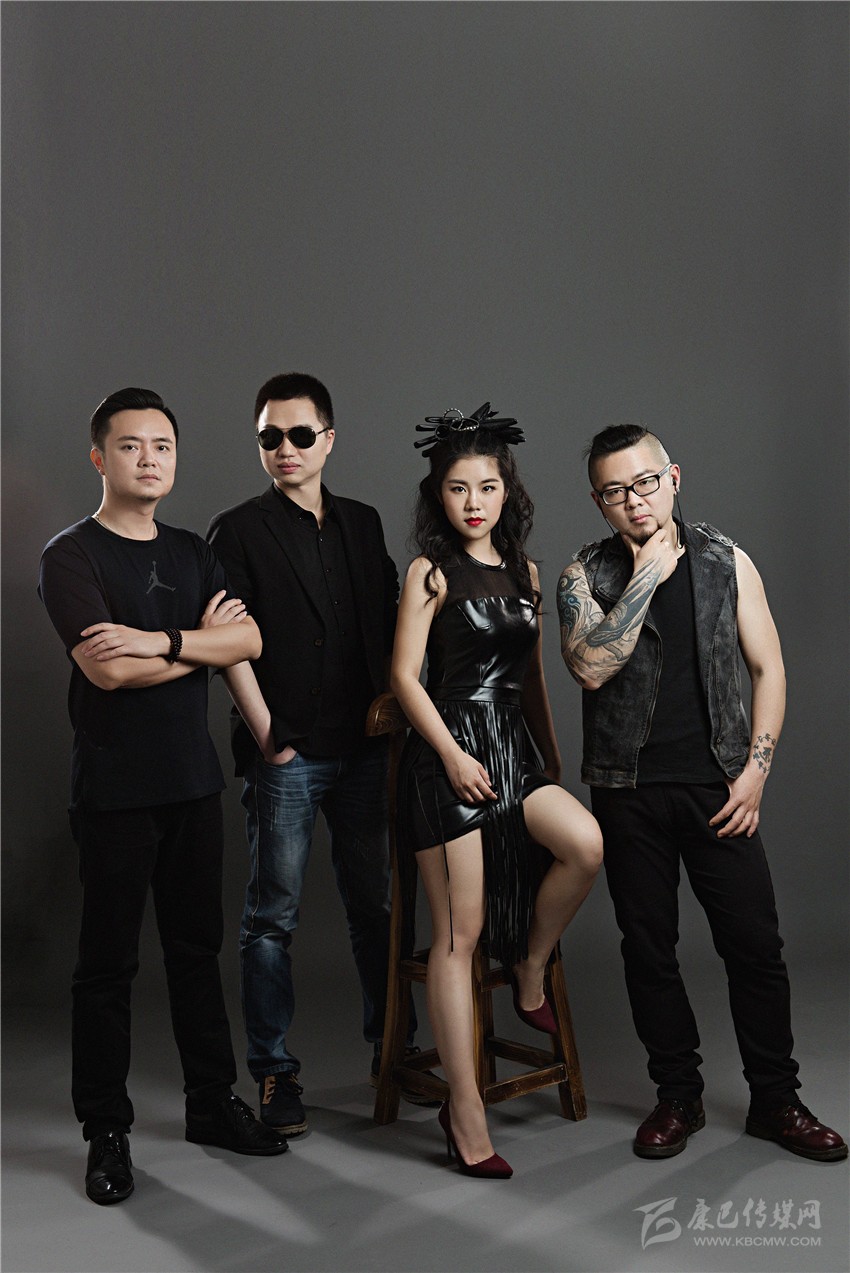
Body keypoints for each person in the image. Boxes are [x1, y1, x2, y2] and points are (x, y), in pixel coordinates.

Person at [558, 423, 847, 1162]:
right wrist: (647, 574)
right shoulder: (583, 575)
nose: (635, 501)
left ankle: (776, 1101)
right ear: (598, 502)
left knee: (756, 947)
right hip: (627, 791)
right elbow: (589, 667)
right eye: (615, 492)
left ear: (674, 478)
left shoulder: (727, 561)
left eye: (645, 482)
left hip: (720, 786)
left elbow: (768, 667)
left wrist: (756, 773)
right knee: (649, 949)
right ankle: (677, 1096)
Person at [38, 388, 289, 1207]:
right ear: (99, 456)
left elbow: (248, 640)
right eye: (131, 445)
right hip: (114, 790)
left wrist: (160, 639)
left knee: (195, 952)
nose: (149, 459)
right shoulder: (70, 556)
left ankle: (211, 1102)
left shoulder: (192, 551)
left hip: (192, 783)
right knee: (106, 965)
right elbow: (106, 669)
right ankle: (105, 1129)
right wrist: (198, 647)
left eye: (163, 446)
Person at [391, 404, 603, 1178]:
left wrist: (550, 756)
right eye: (457, 488)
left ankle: (530, 966)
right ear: (438, 496)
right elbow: (403, 678)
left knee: (585, 844)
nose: (473, 501)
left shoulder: (527, 572)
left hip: (513, 752)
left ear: (507, 490)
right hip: (445, 753)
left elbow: (532, 676)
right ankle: (466, 1107)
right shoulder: (429, 572)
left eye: (486, 486)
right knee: (461, 930)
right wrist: (451, 756)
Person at [206, 371, 420, 1138]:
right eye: (270, 436)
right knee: (272, 917)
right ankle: (274, 1071)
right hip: (288, 753)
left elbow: (392, 621)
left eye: (300, 434)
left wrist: (396, 708)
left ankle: (393, 1049)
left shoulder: (362, 522)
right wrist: (268, 734)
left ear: (329, 439)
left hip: (366, 748)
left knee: (376, 908)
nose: (285, 448)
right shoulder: (236, 530)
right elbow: (227, 640)